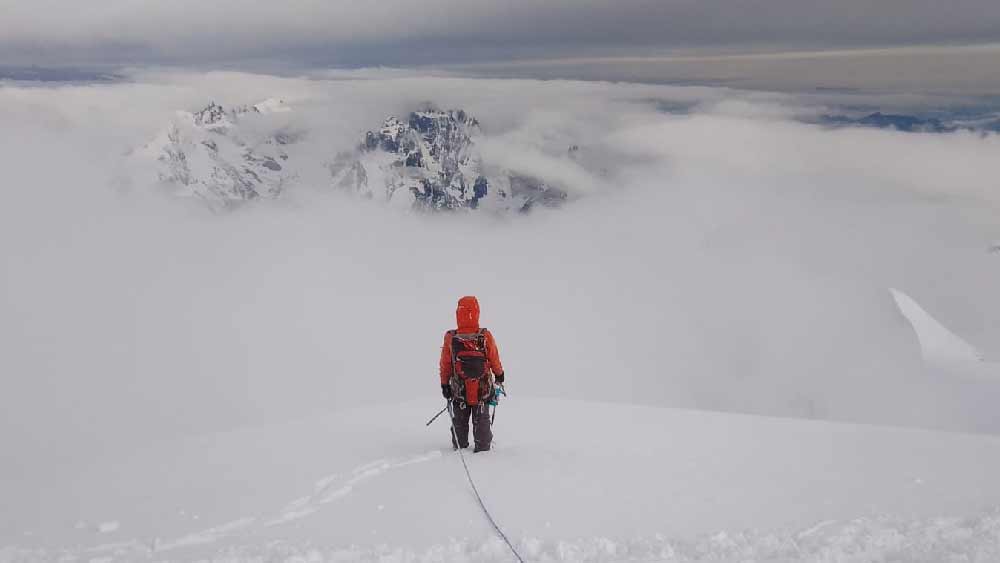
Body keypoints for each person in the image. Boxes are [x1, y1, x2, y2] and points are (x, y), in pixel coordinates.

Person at [439, 296, 505, 452]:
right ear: (477, 313)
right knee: (482, 421)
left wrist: (444, 384)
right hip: (482, 389)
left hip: (459, 389)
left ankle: (459, 446)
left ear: (458, 314)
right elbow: (494, 358)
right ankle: (482, 450)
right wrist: (499, 374)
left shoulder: (451, 337)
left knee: (459, 422)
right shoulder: (485, 336)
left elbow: (446, 364)